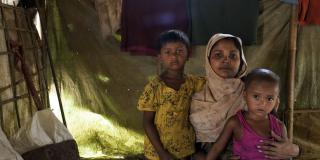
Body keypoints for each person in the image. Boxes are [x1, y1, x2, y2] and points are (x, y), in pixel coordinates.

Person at [190, 33, 299, 159]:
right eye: (218, 55)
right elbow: (194, 148)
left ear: (241, 61)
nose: (226, 60)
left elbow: (277, 137)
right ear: (208, 60)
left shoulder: (254, 90)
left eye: (233, 56)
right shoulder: (197, 95)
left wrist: (294, 150)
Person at [137, 30, 205, 160]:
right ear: (160, 57)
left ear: (188, 54)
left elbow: (215, 83)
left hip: (185, 147)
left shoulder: (193, 82)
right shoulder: (154, 87)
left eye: (179, 51)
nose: (174, 56)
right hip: (158, 151)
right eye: (167, 52)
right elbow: (147, 123)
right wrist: (162, 153)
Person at [206, 68, 285, 160]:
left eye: (269, 98)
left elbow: (286, 155)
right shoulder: (236, 122)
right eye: (256, 96)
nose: (263, 103)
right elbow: (216, 148)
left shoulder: (279, 127)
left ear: (276, 101)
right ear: (245, 96)